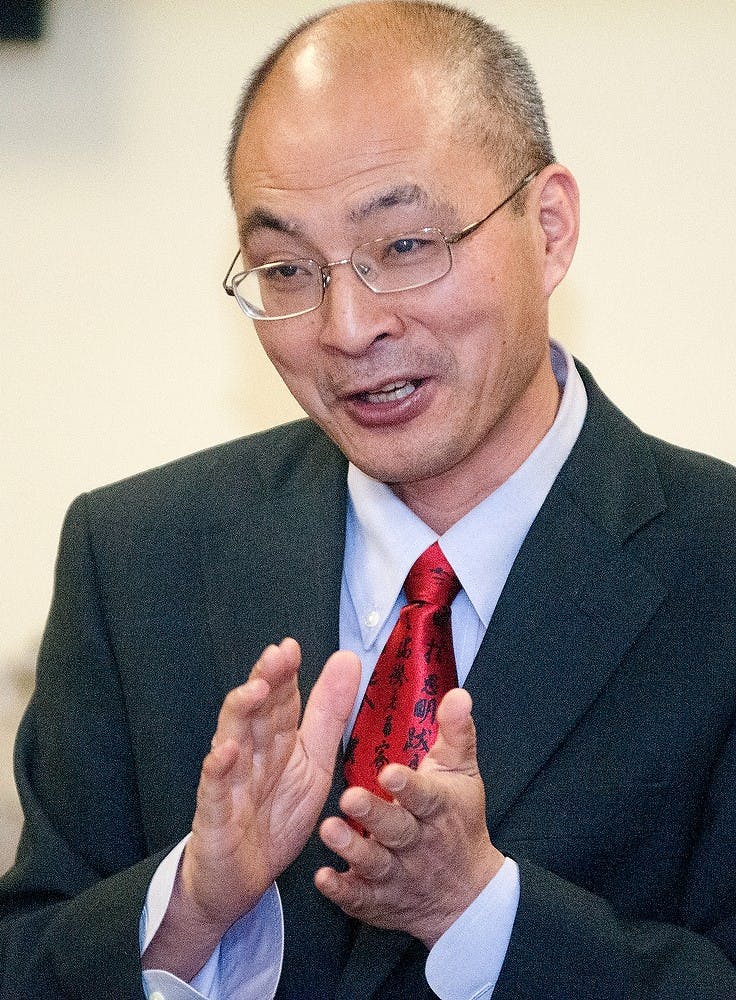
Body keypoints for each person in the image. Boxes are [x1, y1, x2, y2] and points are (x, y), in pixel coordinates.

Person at [1, 2, 735, 997]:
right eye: (286, 268)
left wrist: (482, 916)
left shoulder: (716, 565)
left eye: (403, 245)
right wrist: (190, 905)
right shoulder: (135, 556)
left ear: (549, 229)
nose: (348, 327)